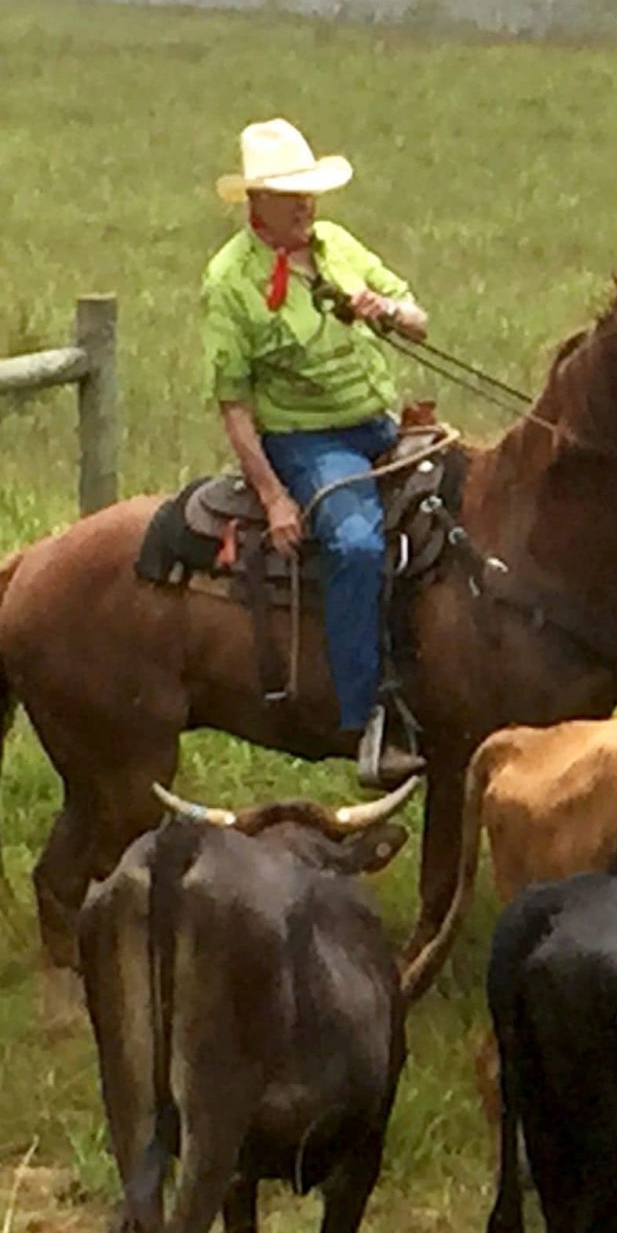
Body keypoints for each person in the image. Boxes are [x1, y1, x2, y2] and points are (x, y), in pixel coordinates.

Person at [204, 117, 429, 789]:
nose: (307, 205)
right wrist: (275, 495)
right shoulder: (230, 282)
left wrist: (384, 311)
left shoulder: (336, 244)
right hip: (307, 440)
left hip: (380, 423)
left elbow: (418, 319)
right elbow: (234, 404)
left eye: (310, 192)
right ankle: (363, 719)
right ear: (255, 205)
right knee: (357, 545)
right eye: (291, 194)